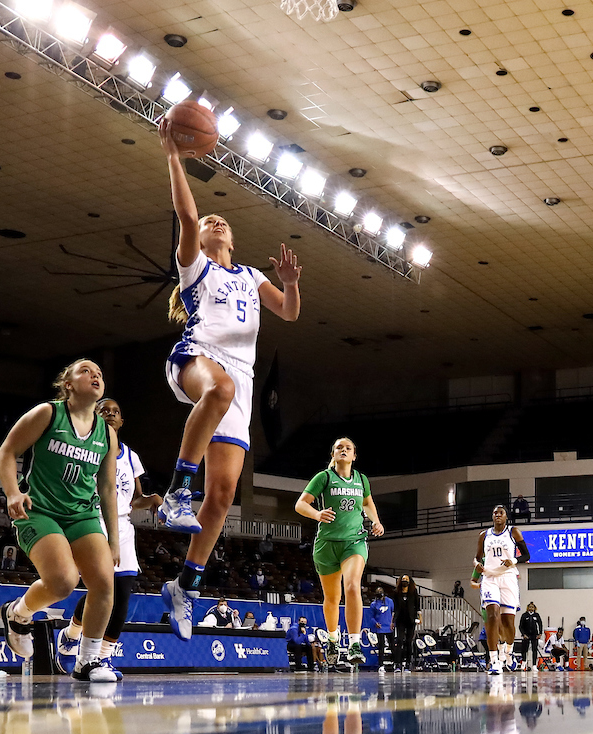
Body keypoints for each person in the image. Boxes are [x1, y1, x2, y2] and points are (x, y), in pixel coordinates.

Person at [157, 117, 301, 641]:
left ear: (234, 240)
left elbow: (287, 313)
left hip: (240, 374)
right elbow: (187, 211)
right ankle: (176, 490)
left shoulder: (251, 276)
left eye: (222, 222)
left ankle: (185, 586)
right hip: (197, 355)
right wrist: (175, 158)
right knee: (219, 389)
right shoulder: (197, 269)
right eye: (210, 221)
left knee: (222, 497)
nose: (214, 222)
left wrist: (289, 284)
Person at [0, 359, 119, 682]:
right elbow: (6, 452)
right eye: (86, 371)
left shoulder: (107, 434)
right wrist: (11, 493)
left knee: (105, 582)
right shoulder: (47, 414)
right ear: (68, 385)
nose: (95, 375)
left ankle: (88, 661)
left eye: (99, 374)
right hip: (40, 509)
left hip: (82, 514)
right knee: (64, 581)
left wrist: (114, 540)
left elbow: (107, 490)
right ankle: (18, 614)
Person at [62, 399, 162, 671]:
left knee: (122, 595)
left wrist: (152, 500)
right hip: (92, 522)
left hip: (122, 528)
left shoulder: (130, 456)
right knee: (101, 589)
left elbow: (135, 500)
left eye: (115, 411)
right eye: (103, 410)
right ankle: (72, 635)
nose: (110, 414)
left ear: (121, 422)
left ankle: (103, 655)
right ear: (93, 416)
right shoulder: (83, 449)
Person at [295, 437, 383, 669]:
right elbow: (300, 504)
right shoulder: (323, 477)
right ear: (333, 454)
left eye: (348, 448)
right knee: (332, 598)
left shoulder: (362, 479)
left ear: (354, 455)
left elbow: (367, 503)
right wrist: (316, 514)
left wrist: (376, 521)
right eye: (339, 448)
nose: (343, 450)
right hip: (326, 545)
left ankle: (354, 644)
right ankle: (333, 639)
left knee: (353, 586)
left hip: (354, 542)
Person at [470, 505, 530, 675]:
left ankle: (509, 653)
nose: (497, 515)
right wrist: (477, 565)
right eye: (495, 512)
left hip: (508, 577)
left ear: (506, 517)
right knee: (492, 616)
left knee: (508, 624)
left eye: (500, 513)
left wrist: (514, 560)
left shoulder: (513, 532)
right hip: (489, 578)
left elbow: (527, 555)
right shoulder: (484, 535)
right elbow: (477, 557)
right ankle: (495, 660)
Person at [392, 574, 420, 672]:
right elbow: (395, 608)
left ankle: (408, 664)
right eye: (403, 579)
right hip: (400, 619)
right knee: (399, 641)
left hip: (410, 620)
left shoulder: (413, 592)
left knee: (408, 642)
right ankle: (398, 664)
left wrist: (419, 617)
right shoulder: (396, 592)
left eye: (406, 579)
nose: (404, 581)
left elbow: (417, 606)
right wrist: (392, 620)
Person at [369, 586, 394, 674]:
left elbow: (393, 612)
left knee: (392, 646)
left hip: (389, 627)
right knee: (381, 647)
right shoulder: (373, 604)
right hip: (380, 628)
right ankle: (381, 665)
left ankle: (394, 662)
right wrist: (375, 623)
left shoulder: (390, 601)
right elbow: (371, 617)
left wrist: (392, 622)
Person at [519, 602, 542, 672]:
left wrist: (540, 633)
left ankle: (534, 665)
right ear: (527, 608)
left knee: (534, 650)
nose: (531, 608)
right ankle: (523, 664)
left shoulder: (536, 615)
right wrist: (523, 634)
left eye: (532, 607)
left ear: (534, 608)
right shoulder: (524, 615)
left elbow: (540, 624)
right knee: (524, 650)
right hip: (526, 635)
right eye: (530, 607)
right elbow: (520, 626)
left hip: (534, 635)